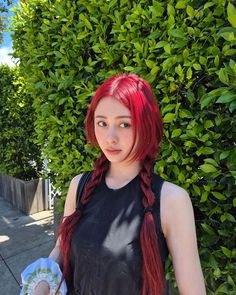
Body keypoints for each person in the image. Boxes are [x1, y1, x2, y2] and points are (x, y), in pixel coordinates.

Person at [21, 73, 206, 295]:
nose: (110, 137)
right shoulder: (79, 186)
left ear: (146, 126)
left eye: (124, 124)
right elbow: (62, 246)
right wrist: (42, 284)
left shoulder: (171, 200)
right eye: (102, 123)